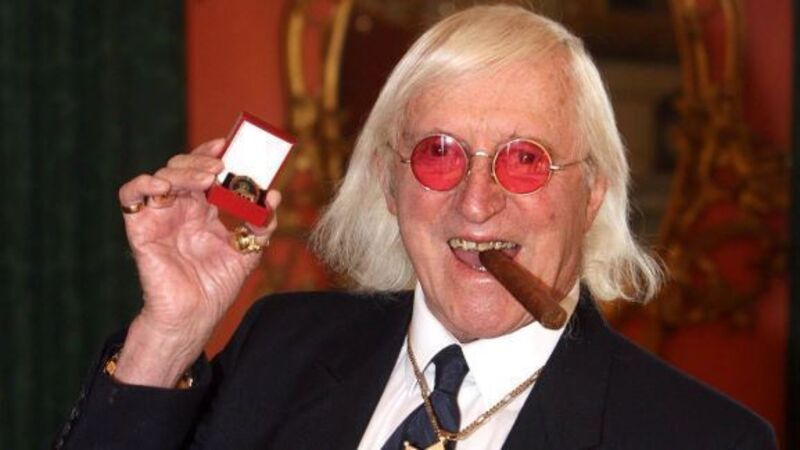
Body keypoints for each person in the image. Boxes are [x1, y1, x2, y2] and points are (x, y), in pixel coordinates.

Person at [55, 5, 776, 449]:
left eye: (525, 160)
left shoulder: (703, 439)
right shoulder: (282, 348)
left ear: (593, 194)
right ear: (389, 182)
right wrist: (170, 334)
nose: (476, 203)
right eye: (439, 153)